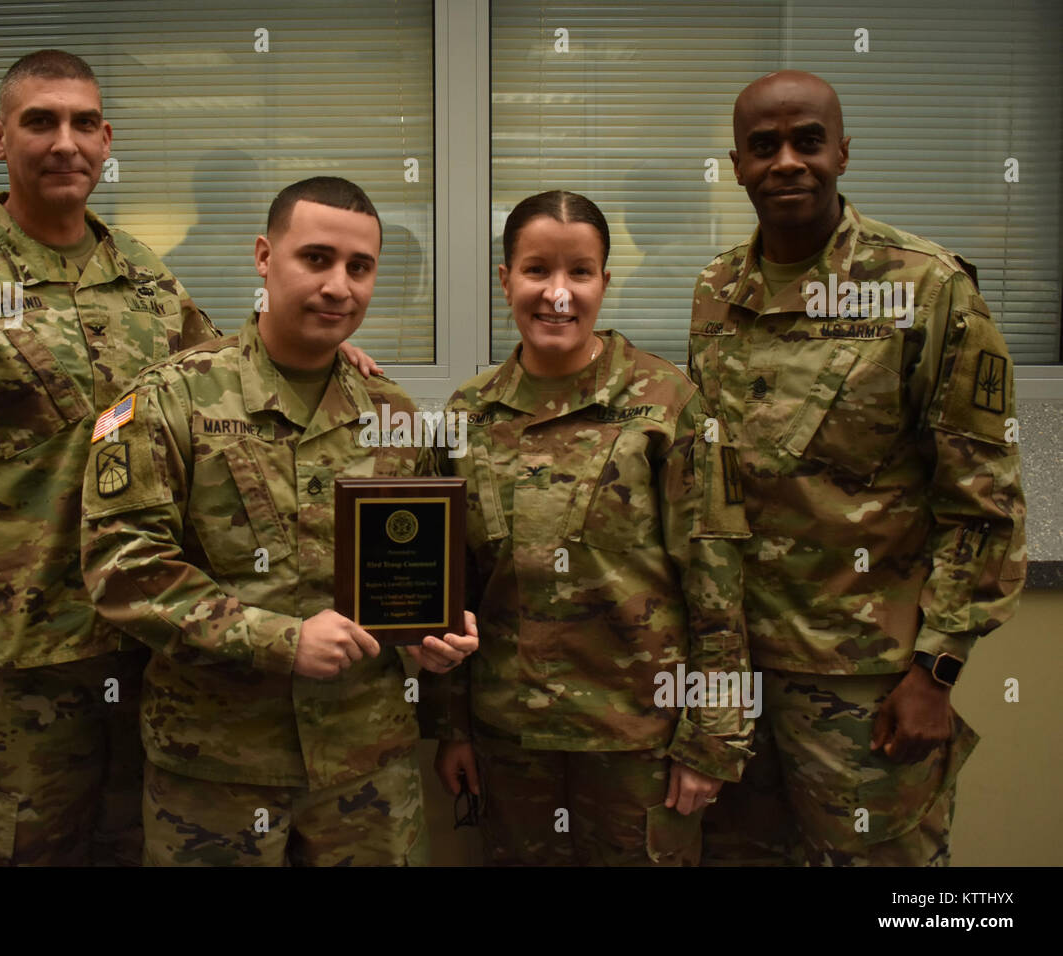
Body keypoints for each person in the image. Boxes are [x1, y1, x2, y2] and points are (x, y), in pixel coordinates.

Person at [0, 49, 381, 867]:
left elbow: (228, 378)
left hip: (142, 654)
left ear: (108, 140)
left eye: (85, 123)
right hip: (6, 664)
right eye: (40, 121)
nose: (65, 142)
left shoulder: (146, 280)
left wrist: (329, 356)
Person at [79, 176, 479, 867]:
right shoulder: (172, 399)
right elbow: (122, 569)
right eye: (316, 258)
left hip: (365, 768)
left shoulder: (396, 415)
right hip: (217, 771)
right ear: (265, 256)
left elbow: (414, 576)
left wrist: (429, 638)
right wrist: (278, 640)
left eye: (361, 267)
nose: (339, 286)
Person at [689, 71, 1027, 866]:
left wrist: (936, 672)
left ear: (842, 150)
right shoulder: (716, 290)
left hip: (864, 683)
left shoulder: (925, 288)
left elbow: (983, 500)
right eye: (763, 147)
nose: (787, 163)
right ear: (736, 164)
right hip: (735, 678)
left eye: (808, 141)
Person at [422, 190, 754, 866]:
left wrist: (712, 738)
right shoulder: (468, 415)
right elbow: (452, 587)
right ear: (505, 280)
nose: (558, 293)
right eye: (537, 270)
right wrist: (452, 726)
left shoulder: (669, 406)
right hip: (510, 740)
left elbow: (716, 583)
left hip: (641, 743)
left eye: (580, 272)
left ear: (605, 281)